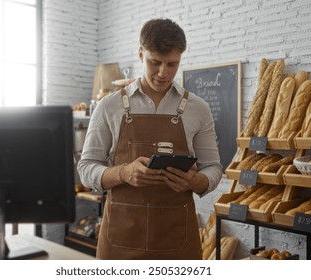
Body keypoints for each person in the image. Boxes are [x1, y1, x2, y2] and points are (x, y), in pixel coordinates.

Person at [77, 18, 223, 260]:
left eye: (172, 64)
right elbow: (85, 168)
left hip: (177, 239)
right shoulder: (109, 107)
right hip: (120, 238)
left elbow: (214, 168)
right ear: (140, 54)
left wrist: (194, 181)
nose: (163, 73)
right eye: (155, 62)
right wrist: (123, 173)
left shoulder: (198, 108)